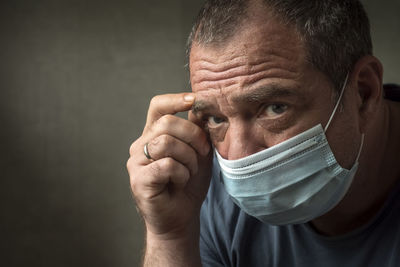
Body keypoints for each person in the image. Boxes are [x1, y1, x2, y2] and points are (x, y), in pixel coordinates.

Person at [126, 0, 400, 266]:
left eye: (274, 108)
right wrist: (170, 236)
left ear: (364, 94)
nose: (239, 157)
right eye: (216, 118)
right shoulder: (206, 192)